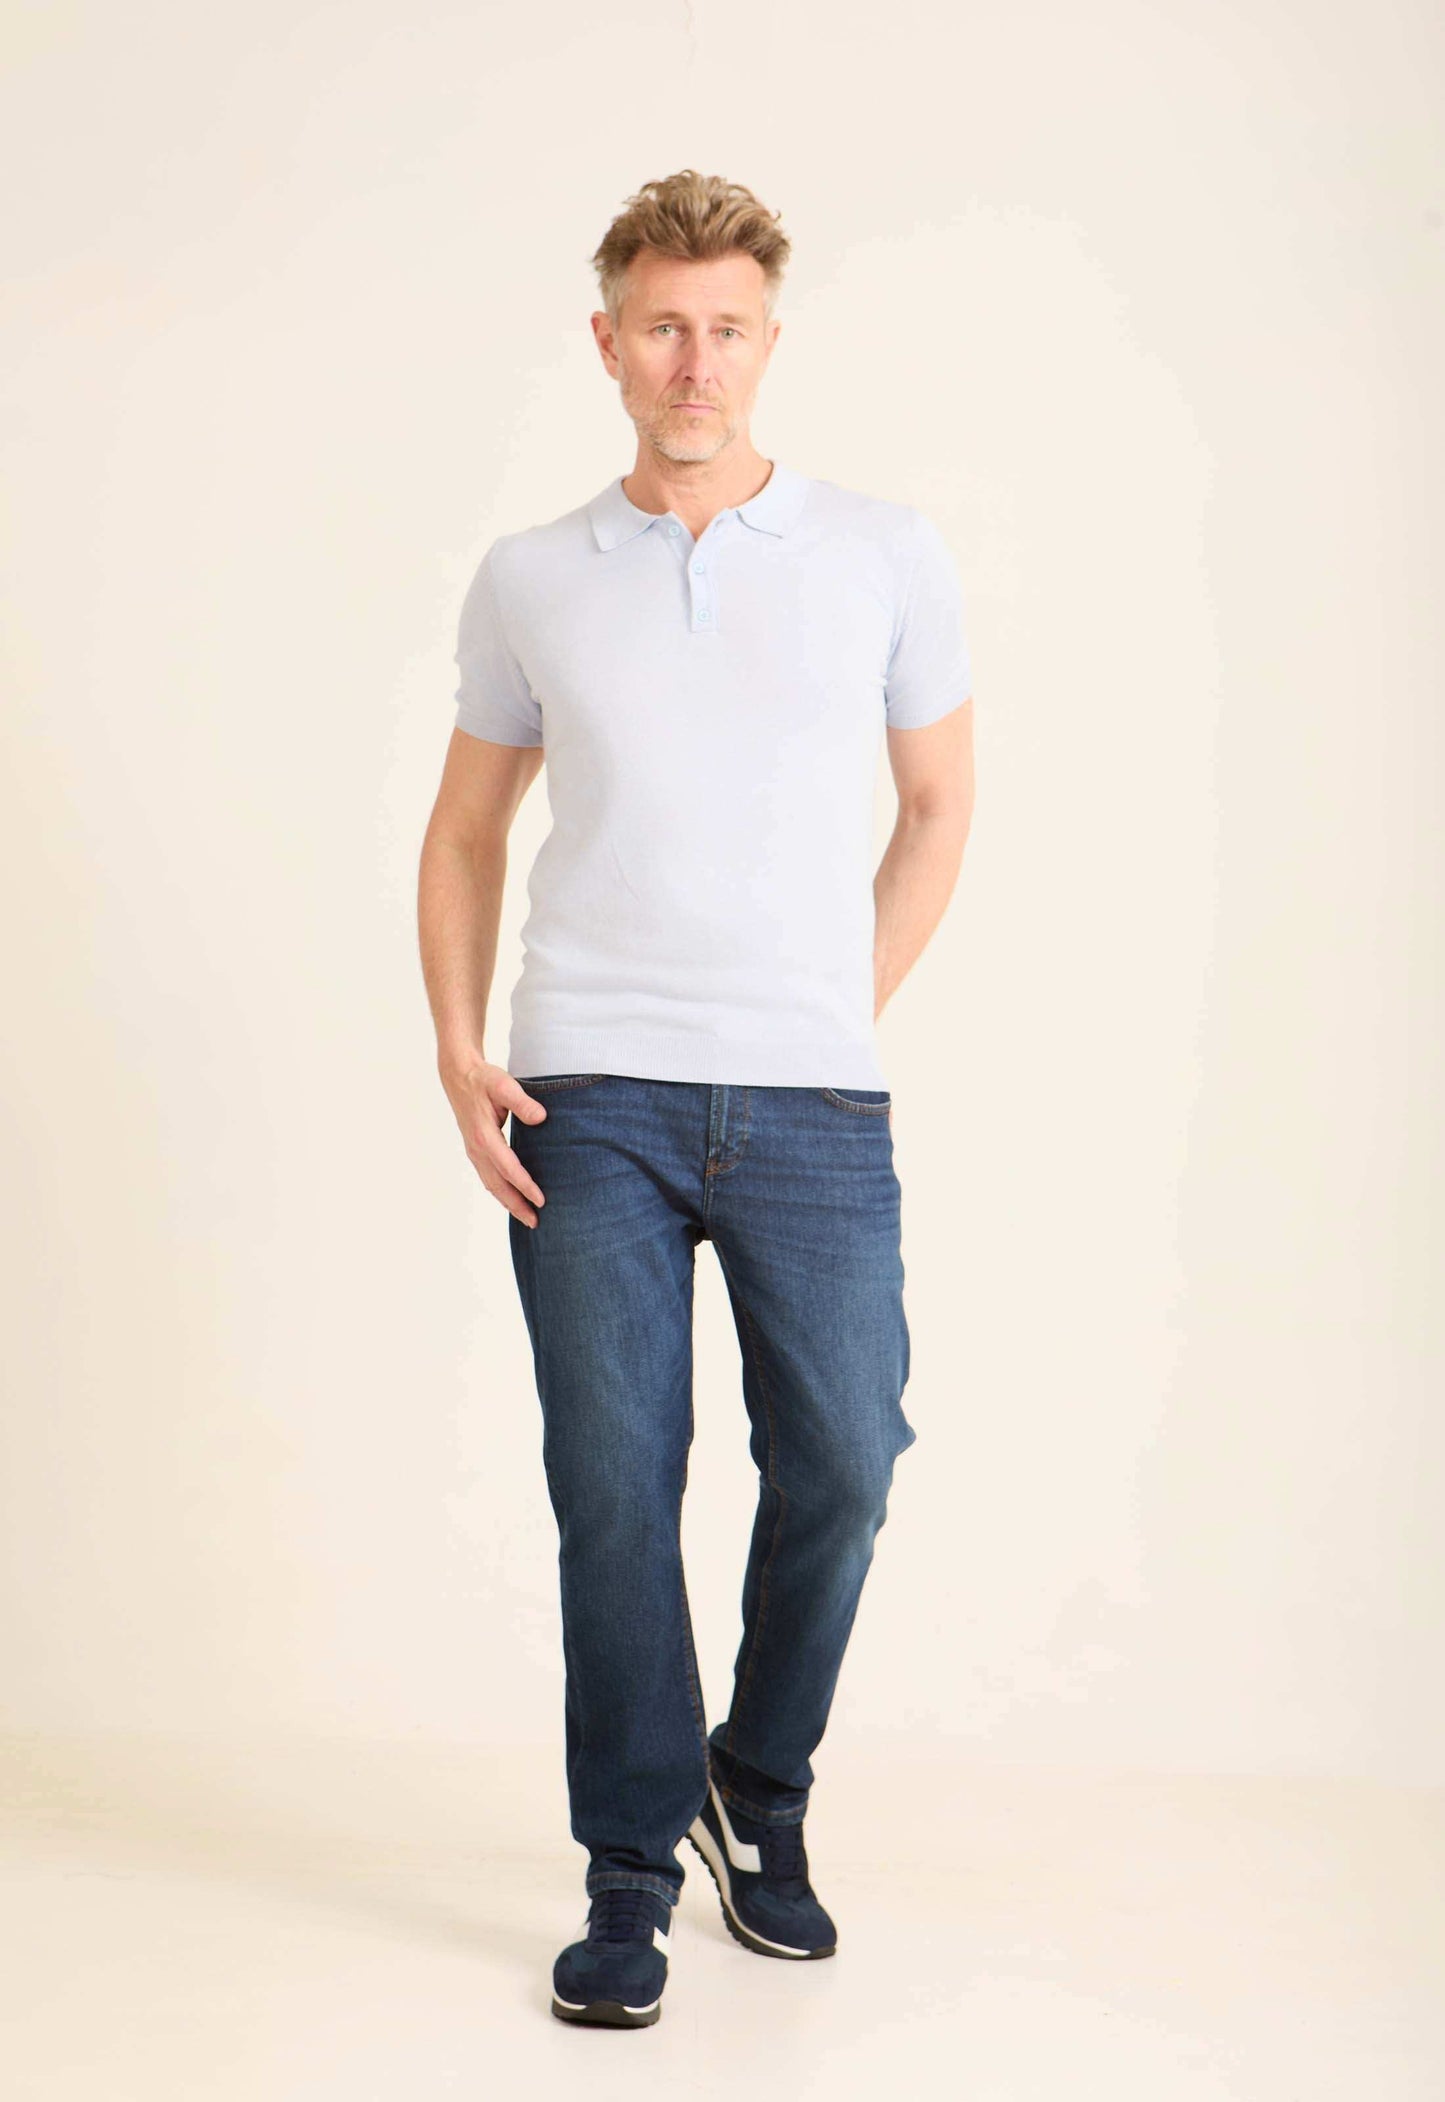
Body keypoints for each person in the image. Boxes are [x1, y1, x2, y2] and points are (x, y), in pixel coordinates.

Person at [418, 167, 975, 2029]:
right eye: (662, 325)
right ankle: (629, 1870)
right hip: (589, 1096)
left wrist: (830, 1005)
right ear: (608, 340)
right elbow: (465, 830)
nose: (694, 360)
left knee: (848, 1458)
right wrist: (456, 1041)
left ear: (767, 342)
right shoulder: (532, 576)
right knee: (612, 1484)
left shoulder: (880, 552)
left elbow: (940, 807)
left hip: (812, 1102)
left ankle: (761, 1781)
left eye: (726, 328)